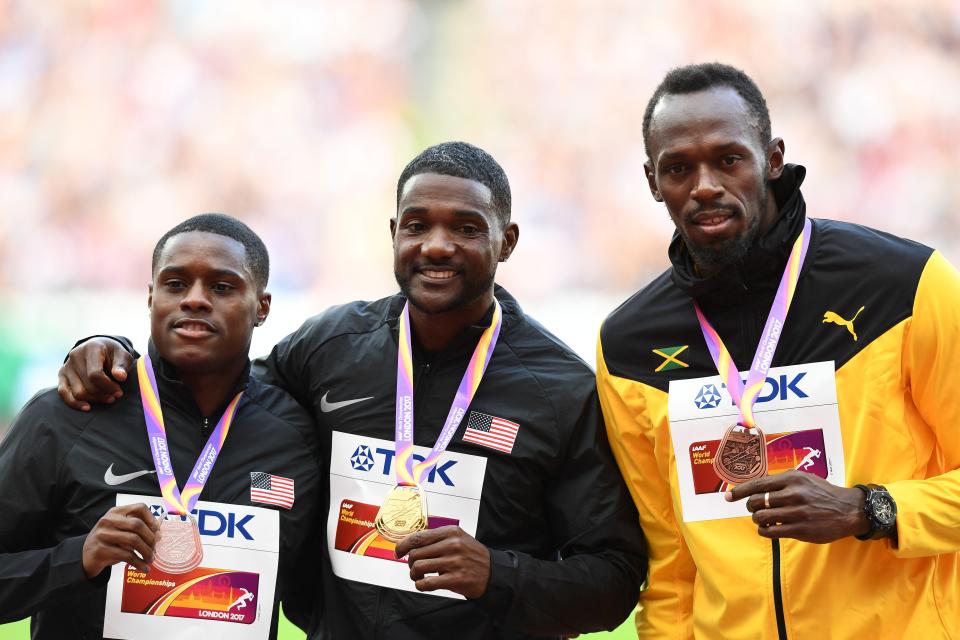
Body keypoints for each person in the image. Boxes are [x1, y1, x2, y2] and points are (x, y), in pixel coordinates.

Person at [56, 142, 648, 639]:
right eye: (417, 225)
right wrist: (111, 349)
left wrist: (499, 572)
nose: (436, 246)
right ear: (394, 234)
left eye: (465, 228)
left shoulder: (560, 389)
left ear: (508, 240)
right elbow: (211, 394)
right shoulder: (331, 346)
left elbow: (615, 576)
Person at [596, 62, 960, 639]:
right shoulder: (628, 345)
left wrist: (868, 509)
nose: (706, 184)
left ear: (772, 158)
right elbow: (671, 569)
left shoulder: (905, 286)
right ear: (652, 181)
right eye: (679, 168)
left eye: (729, 159)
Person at [1, 214, 320, 638]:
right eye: (175, 284)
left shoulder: (293, 434)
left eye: (222, 287)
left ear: (261, 307)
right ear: (151, 297)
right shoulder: (69, 413)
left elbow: (320, 596)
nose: (194, 299)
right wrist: (78, 559)